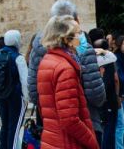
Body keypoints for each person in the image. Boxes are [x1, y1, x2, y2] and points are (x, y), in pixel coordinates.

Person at [27, 0, 106, 119]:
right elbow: (96, 96)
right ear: (75, 21)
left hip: (48, 119)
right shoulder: (83, 47)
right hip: (83, 117)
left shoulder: (38, 47)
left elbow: (33, 92)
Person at [37, 15, 99, 149]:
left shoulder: (48, 60)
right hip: (67, 142)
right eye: (78, 33)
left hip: (53, 139)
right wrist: (92, 141)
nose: (81, 36)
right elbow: (70, 119)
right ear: (67, 39)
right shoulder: (65, 69)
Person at [0, 30, 26, 149]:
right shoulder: (18, 57)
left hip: (1, 95)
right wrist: (28, 97)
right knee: (14, 127)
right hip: (16, 96)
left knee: (5, 126)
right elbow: (24, 80)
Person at [87, 28, 120, 149]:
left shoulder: (86, 57)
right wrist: (117, 96)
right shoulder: (107, 57)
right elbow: (116, 78)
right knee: (110, 128)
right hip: (109, 97)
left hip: (93, 99)